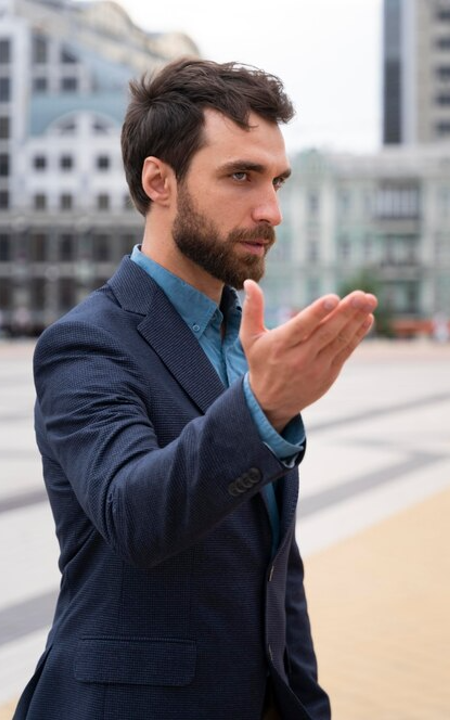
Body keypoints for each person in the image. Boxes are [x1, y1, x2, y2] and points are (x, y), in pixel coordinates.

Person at [15, 58, 377, 720]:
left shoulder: (247, 340)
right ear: (160, 180)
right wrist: (261, 408)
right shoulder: (86, 344)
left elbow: (273, 566)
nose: (270, 209)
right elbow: (135, 516)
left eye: (277, 180)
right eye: (240, 176)